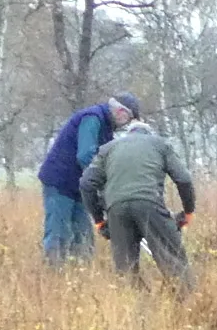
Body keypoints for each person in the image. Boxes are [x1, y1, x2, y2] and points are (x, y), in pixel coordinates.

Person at [83, 99, 195, 289]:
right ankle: (188, 305)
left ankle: (137, 313)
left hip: (116, 209)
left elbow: (86, 184)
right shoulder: (159, 144)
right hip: (149, 204)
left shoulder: (108, 149)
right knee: (173, 262)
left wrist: (100, 220)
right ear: (148, 131)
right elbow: (183, 179)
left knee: (126, 271)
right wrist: (188, 211)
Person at [37, 96, 128, 261]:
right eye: (128, 118)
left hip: (79, 186)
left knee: (83, 233)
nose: (126, 123)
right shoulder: (93, 118)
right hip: (60, 181)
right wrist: (100, 184)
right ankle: (53, 273)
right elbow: (86, 155)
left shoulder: (106, 127)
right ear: (121, 111)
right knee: (59, 230)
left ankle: (81, 273)